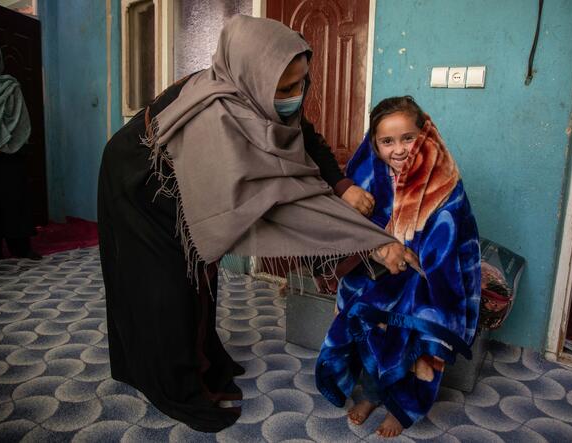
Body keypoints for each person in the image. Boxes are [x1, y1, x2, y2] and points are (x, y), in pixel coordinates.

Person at [98, 16, 415, 432]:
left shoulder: (259, 90)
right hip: (140, 186)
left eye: (301, 83)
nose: (294, 97)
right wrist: (372, 242)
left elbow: (306, 138)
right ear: (252, 76)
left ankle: (204, 364)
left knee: (201, 281)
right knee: (165, 290)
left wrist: (339, 184)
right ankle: (176, 390)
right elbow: (280, 202)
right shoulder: (215, 116)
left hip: (184, 183)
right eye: (285, 89)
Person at [315, 96, 481, 438]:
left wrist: (413, 262)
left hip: (424, 276)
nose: (399, 149)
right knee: (365, 325)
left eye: (408, 138)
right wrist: (379, 250)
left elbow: (452, 240)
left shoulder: (444, 181)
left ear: (425, 135)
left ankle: (403, 409)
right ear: (374, 145)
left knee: (417, 332)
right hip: (376, 270)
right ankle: (374, 395)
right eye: (387, 141)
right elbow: (347, 228)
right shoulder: (365, 176)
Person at [0, 37, 41, 261]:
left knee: (13, 199)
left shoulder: (10, 86)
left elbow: (19, 120)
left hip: (8, 153)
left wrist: (0, 147)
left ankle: (21, 247)